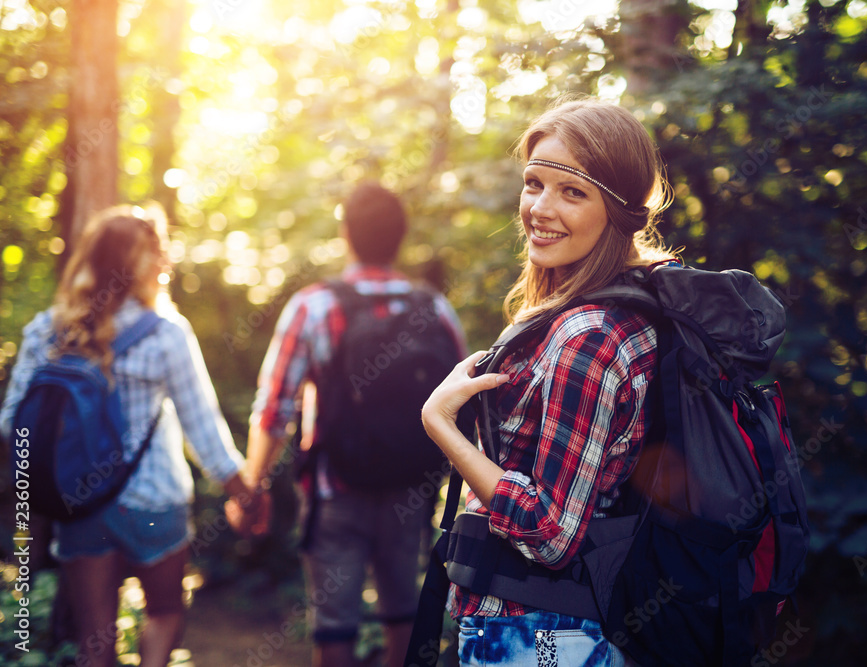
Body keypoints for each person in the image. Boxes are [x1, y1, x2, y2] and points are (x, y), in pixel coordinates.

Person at [420, 96, 678, 665]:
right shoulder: (628, 311)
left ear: (616, 209)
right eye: (534, 183)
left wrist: (441, 425)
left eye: (573, 191)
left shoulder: (587, 336)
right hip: (564, 631)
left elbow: (550, 531)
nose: (540, 207)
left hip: (536, 635)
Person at [0, 203, 267, 667]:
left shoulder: (48, 330)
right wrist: (244, 495)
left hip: (79, 503)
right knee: (164, 613)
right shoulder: (165, 334)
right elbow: (202, 429)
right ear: (148, 265)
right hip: (154, 501)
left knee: (95, 640)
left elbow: (11, 424)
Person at [233, 182, 467, 667]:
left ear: (346, 235)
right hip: (410, 490)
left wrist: (252, 486)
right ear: (400, 238)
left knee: (333, 625)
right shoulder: (434, 308)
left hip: (333, 489)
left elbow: (275, 408)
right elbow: (462, 404)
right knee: (404, 614)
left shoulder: (314, 306)